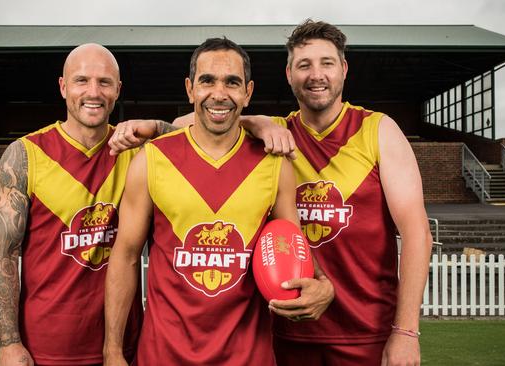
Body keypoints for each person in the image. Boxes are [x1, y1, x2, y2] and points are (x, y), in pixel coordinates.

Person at [113, 19, 433, 366]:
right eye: (304, 65)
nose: (316, 75)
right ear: (288, 74)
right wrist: (156, 127)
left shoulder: (378, 130)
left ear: (343, 68)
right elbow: (207, 124)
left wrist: (405, 331)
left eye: (326, 63)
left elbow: (417, 234)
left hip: (365, 329)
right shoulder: (276, 136)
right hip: (286, 329)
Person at [102, 37, 333, 366]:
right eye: (207, 80)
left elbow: (293, 247)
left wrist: (322, 284)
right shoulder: (152, 159)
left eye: (232, 82)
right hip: (162, 355)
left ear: (248, 92)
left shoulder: (274, 164)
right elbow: (124, 257)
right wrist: (112, 350)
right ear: (190, 88)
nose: (219, 94)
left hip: (249, 357)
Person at [0, 43, 173, 366]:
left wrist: (156, 126)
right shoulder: (25, 155)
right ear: (63, 87)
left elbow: (202, 136)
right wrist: (9, 343)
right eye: (81, 80)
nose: (93, 92)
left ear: (118, 90)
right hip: (45, 347)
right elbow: (2, 255)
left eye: (104, 82)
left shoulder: (139, 153)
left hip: (122, 347)